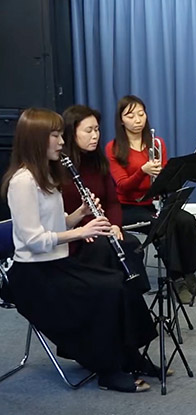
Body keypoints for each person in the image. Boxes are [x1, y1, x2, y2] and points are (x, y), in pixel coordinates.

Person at [1, 108, 158, 393]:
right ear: (36, 139)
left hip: (56, 262)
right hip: (32, 275)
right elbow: (33, 239)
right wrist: (81, 231)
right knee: (105, 292)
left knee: (121, 284)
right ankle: (108, 370)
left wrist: (80, 214)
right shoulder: (22, 182)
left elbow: (54, 222)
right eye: (55, 135)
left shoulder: (46, 175)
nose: (62, 141)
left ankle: (131, 356)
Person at [105, 95, 196, 303]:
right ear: (121, 120)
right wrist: (142, 171)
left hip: (154, 203)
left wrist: (167, 176)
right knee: (163, 226)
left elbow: (166, 178)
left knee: (186, 220)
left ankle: (189, 274)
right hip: (127, 206)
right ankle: (176, 279)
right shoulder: (113, 148)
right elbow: (122, 185)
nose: (137, 120)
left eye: (141, 114)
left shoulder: (156, 143)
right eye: (130, 116)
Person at [60, 104, 151, 293]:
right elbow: (60, 212)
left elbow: (112, 202)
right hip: (76, 234)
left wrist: (115, 225)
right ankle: (112, 297)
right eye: (89, 131)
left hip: (102, 228)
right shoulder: (59, 168)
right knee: (103, 250)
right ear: (71, 133)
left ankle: (132, 296)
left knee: (131, 244)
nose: (95, 135)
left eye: (97, 130)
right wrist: (83, 229)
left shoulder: (97, 161)